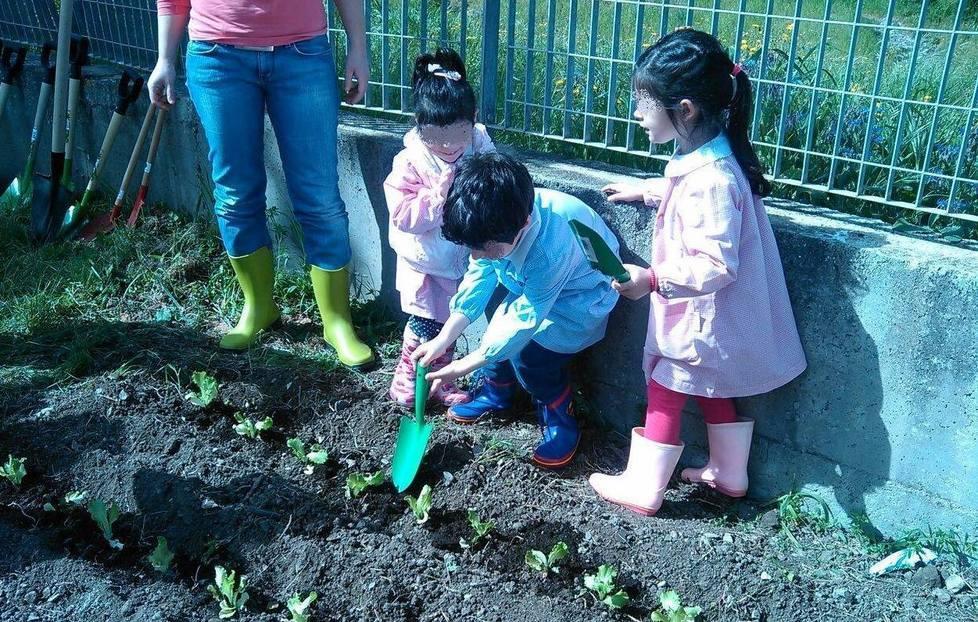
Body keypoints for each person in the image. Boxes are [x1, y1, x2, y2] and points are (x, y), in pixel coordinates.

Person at [589, 28, 807, 515]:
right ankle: (729, 473)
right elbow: (691, 199)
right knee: (709, 385)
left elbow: (714, 263)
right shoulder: (712, 161)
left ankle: (645, 487)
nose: (637, 115)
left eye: (645, 105)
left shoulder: (709, 181)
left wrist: (652, 280)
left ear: (684, 110)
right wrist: (647, 190)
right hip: (718, 320)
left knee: (665, 386)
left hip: (699, 314)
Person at [149, 0, 374, 368]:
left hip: (302, 54)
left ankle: (336, 322)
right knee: (235, 194)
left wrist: (358, 48)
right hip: (216, 57)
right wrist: (165, 59)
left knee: (319, 196)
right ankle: (258, 307)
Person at [413, 152, 620, 469]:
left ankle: (560, 414)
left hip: (579, 300)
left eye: (488, 248)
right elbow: (478, 276)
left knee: (531, 357)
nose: (481, 254)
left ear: (524, 223)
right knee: (496, 320)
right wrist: (444, 337)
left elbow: (525, 319)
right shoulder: (495, 222)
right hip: (530, 287)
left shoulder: (551, 246)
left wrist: (464, 365)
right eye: (474, 247)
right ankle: (499, 393)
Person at [384, 48, 495, 407]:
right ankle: (406, 379)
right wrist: (436, 196)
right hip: (426, 263)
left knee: (450, 324)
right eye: (435, 137)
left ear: (472, 119)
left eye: (456, 136)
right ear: (419, 125)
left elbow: (492, 176)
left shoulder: (478, 142)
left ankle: (439, 381)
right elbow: (403, 216)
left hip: (462, 258)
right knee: (425, 327)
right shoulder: (410, 163)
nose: (447, 147)